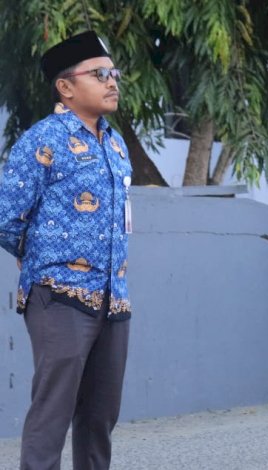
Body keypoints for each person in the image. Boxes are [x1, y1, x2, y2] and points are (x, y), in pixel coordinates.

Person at [0, 31, 132, 469]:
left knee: (100, 419)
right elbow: (6, 216)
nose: (112, 82)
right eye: (99, 74)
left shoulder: (116, 143)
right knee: (52, 415)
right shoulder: (43, 140)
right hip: (59, 297)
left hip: (113, 298)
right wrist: (41, 257)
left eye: (113, 73)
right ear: (65, 86)